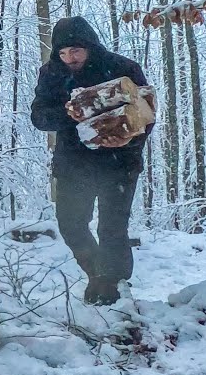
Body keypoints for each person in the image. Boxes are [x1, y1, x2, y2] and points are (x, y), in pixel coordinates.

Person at [31, 17, 154, 305]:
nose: (69, 58)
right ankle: (97, 275)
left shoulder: (123, 68)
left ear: (89, 46)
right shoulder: (51, 74)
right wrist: (69, 114)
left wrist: (127, 140)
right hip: (74, 163)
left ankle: (115, 286)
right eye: (62, 53)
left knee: (112, 227)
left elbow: (147, 114)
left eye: (75, 51)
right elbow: (38, 117)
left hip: (119, 162)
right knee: (71, 224)